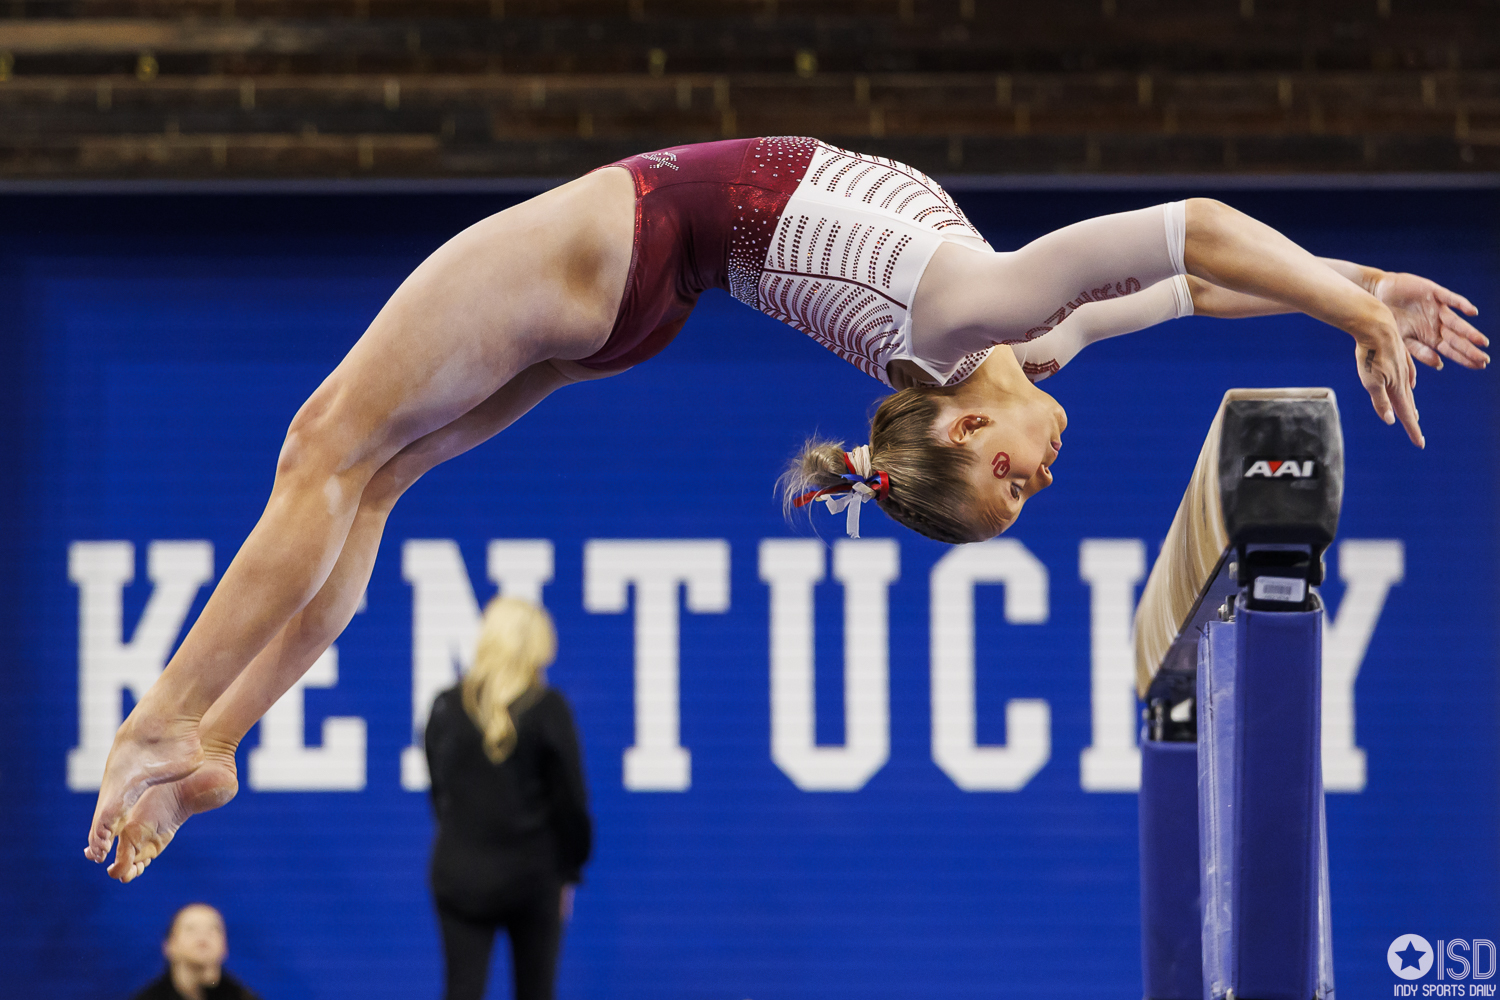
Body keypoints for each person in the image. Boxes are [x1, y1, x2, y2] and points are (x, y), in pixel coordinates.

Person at [83, 136, 1487, 882]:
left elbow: (1196, 224)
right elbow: (1194, 274)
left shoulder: (981, 307)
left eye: (1008, 486)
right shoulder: (1034, 330)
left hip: (624, 236)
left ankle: (164, 721)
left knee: (324, 446)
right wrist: (1359, 289)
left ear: (959, 425)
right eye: (1022, 487)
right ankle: (217, 740)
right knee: (375, 477)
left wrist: (1344, 303)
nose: (1043, 477)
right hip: (648, 297)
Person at [424, 596, 591, 1000]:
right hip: (532, 878)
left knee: (461, 990)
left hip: (460, 876)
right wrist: (570, 872)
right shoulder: (549, 709)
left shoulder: (446, 707)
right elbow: (571, 804)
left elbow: (440, 794)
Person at [128, 903, 259, 1000]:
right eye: (191, 928)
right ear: (169, 946)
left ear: (225, 947)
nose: (203, 935)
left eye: (213, 929)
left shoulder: (244, 997)